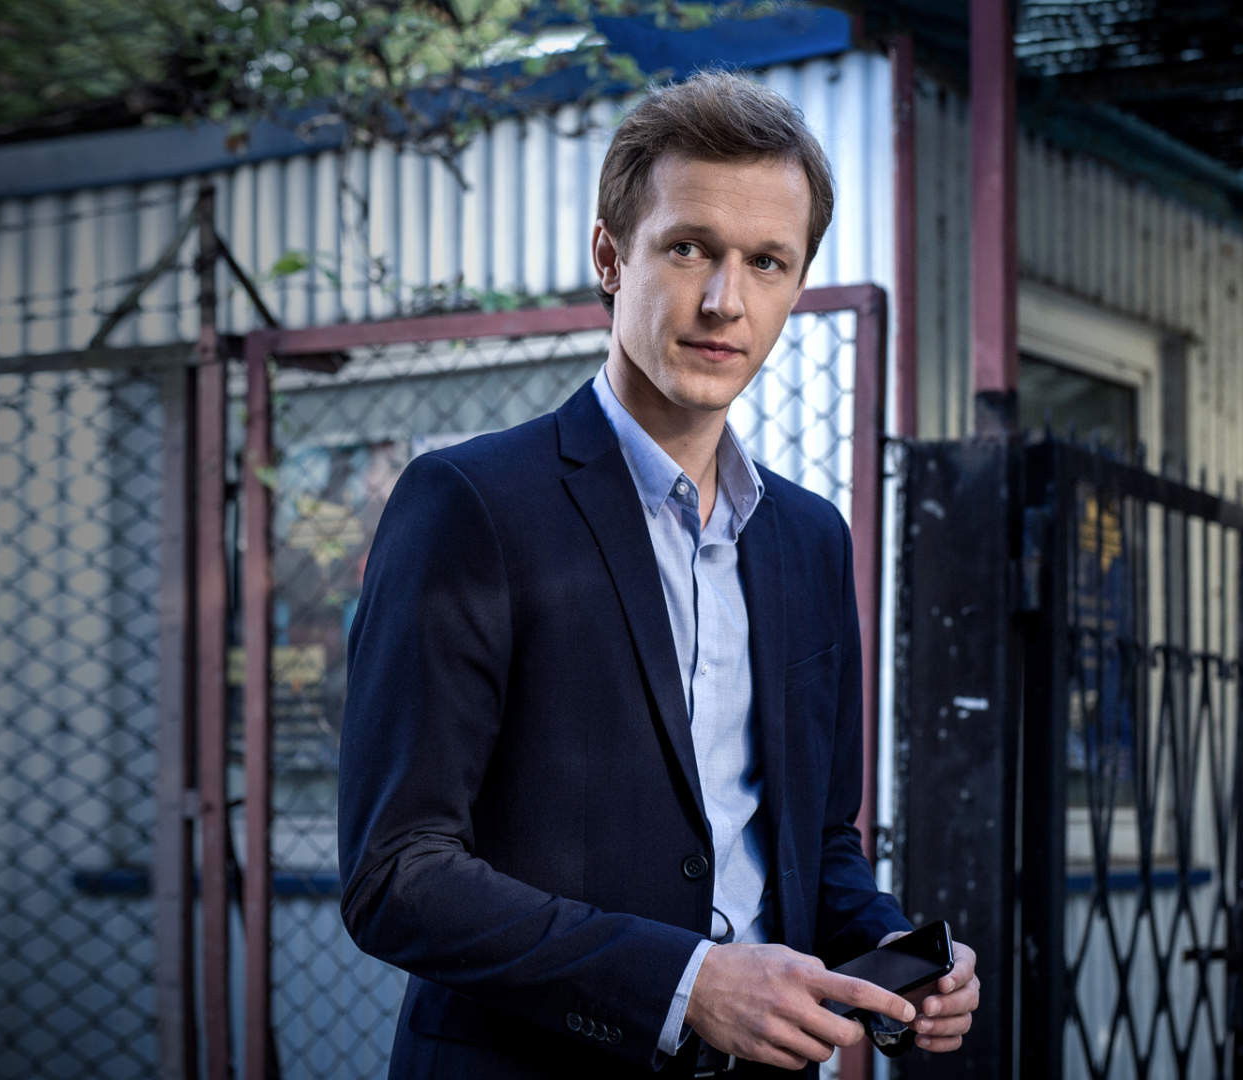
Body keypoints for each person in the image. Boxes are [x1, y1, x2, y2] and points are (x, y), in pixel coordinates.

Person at [337, 69, 980, 1078]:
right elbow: (396, 875)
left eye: (766, 262)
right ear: (611, 256)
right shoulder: (470, 504)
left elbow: (816, 844)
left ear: (796, 285)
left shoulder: (810, 539)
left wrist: (891, 955)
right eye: (689, 248)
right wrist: (686, 983)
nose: (725, 300)